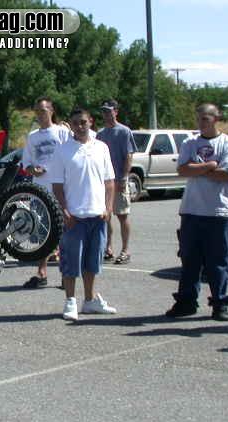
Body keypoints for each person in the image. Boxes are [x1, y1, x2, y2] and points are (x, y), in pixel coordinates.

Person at [165, 103, 228, 321]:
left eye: (205, 118)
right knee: (190, 259)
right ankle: (186, 302)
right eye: (198, 118)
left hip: (219, 211)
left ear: (216, 119)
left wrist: (197, 169)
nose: (200, 123)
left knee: (219, 261)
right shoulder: (189, 143)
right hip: (192, 210)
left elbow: (227, 174)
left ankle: (219, 303)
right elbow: (182, 169)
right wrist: (210, 166)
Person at [50, 107, 116, 321]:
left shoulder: (101, 148)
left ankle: (89, 301)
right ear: (70, 125)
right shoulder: (62, 151)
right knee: (71, 263)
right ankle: (70, 301)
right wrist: (65, 211)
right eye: (75, 123)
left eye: (83, 122)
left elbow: (109, 182)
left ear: (91, 122)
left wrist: (108, 208)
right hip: (74, 218)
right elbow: (57, 186)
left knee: (92, 262)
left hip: (97, 216)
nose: (80, 126)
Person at [20, 97, 70, 288]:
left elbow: (72, 155)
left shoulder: (62, 132)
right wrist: (33, 170)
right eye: (37, 111)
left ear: (51, 111)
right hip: (40, 191)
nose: (40, 114)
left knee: (64, 233)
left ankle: (66, 275)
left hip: (60, 189)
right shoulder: (33, 136)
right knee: (43, 233)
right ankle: (41, 273)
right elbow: (26, 162)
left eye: (43, 110)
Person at [96, 99, 137, 265]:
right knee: (106, 216)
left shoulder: (124, 131)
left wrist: (124, 178)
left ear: (116, 112)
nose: (106, 114)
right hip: (104, 182)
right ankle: (108, 248)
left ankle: (125, 250)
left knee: (122, 215)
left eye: (109, 110)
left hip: (119, 180)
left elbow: (129, 155)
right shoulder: (100, 134)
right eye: (104, 111)